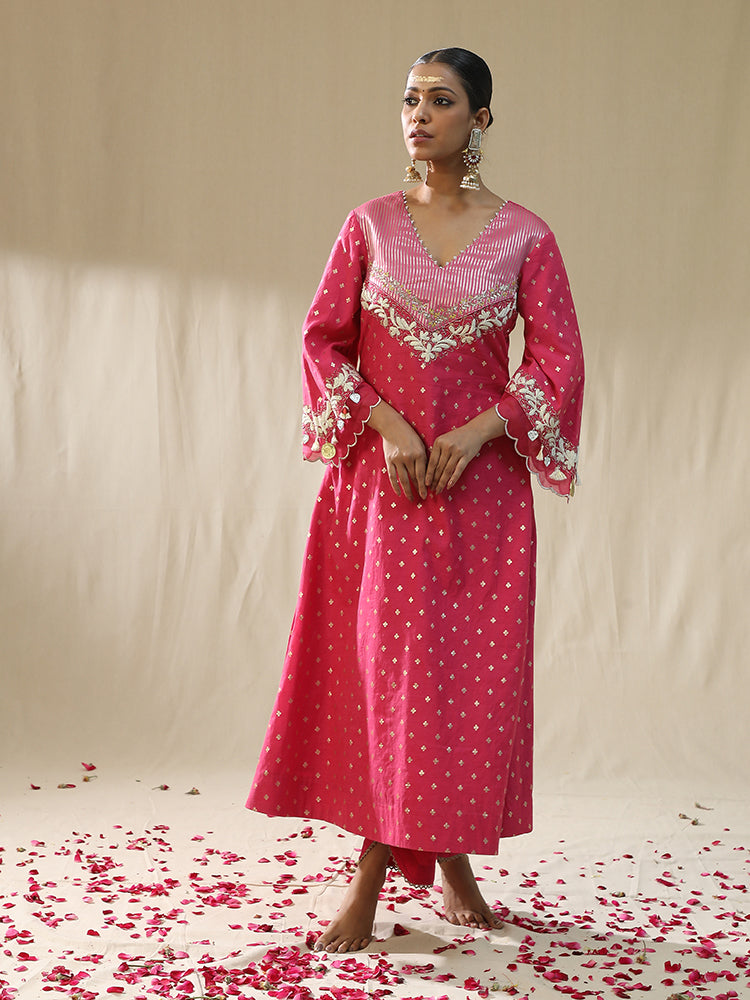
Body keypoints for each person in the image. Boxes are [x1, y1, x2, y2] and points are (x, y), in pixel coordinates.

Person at [247, 46, 584, 954]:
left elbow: (559, 363)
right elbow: (322, 341)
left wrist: (476, 432)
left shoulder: (525, 238)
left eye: (441, 100)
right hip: (381, 492)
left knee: (461, 687)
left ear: (481, 120)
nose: (419, 114)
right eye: (409, 99)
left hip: (481, 500)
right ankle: (372, 873)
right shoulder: (369, 226)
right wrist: (389, 425)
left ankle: (449, 856)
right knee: (383, 682)